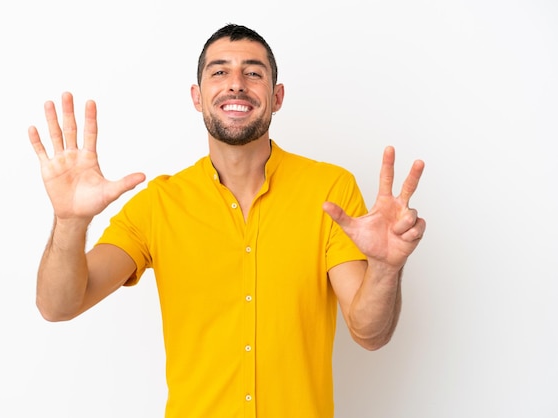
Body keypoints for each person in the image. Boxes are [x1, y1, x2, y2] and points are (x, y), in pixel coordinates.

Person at [28, 24, 426, 418]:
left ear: (277, 96)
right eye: (219, 71)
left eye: (253, 72)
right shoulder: (159, 205)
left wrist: (386, 269)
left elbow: (370, 333)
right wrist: (69, 221)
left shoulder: (330, 190)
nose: (236, 84)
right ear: (197, 97)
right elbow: (58, 306)